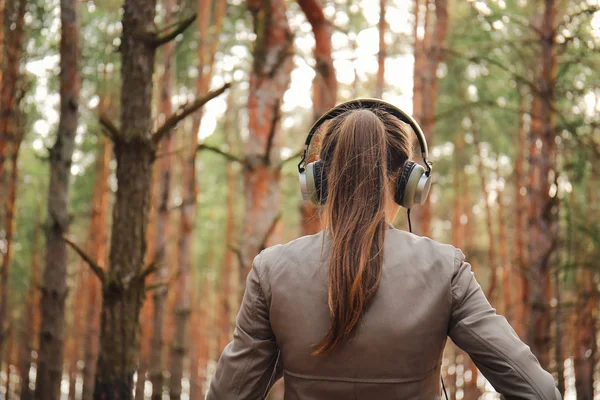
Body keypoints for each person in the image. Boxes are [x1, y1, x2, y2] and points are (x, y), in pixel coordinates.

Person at [207, 99, 561, 400]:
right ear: (409, 184)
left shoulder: (271, 270)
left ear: (318, 182)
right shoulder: (445, 268)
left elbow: (229, 394)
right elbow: (539, 392)